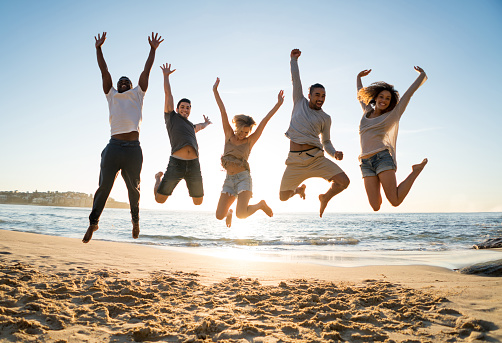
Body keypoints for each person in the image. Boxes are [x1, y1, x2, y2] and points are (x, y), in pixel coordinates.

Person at [83, 32, 163, 243]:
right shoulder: (111, 95)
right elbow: (104, 71)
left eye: (127, 81)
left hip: (133, 149)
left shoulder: (138, 93)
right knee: (104, 187)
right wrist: (98, 49)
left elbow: (147, 71)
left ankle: (135, 220)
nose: (124, 82)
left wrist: (152, 50)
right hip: (114, 147)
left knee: (134, 188)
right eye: (121, 81)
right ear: (116, 86)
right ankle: (93, 223)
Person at [279, 49, 350, 217]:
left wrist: (334, 153)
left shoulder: (325, 118)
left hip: (316, 159)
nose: (320, 98)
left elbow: (326, 142)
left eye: (323, 96)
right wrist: (293, 60)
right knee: (282, 197)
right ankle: (299, 190)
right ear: (309, 95)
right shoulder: (299, 102)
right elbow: (295, 80)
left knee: (344, 182)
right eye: (317, 95)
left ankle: (325, 197)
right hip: (295, 161)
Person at [213, 77, 284, 227]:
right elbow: (223, 111)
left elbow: (265, 121)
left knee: (242, 214)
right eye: (242, 131)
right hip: (229, 180)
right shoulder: (228, 135)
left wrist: (278, 104)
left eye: (246, 132)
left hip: (243, 179)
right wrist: (215, 90)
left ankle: (260, 205)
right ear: (236, 127)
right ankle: (228, 213)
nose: (243, 134)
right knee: (219, 215)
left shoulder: (249, 141)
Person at [356, 67, 428, 211]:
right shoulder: (367, 111)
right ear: (375, 97)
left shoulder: (392, 116)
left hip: (382, 158)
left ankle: (415, 171)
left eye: (388, 99)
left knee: (394, 201)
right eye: (381, 97)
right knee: (375, 206)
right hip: (365, 162)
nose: (384, 100)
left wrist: (422, 75)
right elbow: (360, 94)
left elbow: (408, 94)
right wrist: (358, 77)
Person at [154, 63, 212, 205]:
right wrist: (166, 76)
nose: (185, 109)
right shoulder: (171, 118)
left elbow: (200, 127)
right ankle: (157, 179)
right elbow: (168, 94)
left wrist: (206, 123)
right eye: (182, 107)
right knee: (159, 200)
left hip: (193, 164)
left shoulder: (191, 126)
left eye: (188, 108)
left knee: (198, 201)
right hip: (176, 163)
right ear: (177, 108)